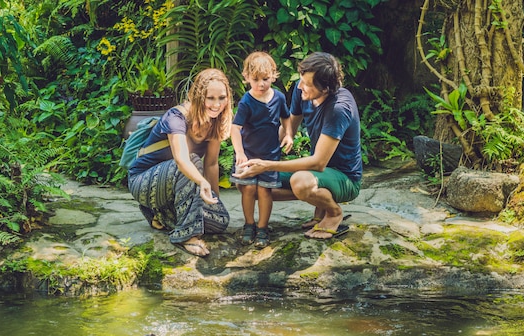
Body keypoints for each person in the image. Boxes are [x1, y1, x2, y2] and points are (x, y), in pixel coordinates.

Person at [235, 52, 362, 239]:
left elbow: (318, 163)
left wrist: (267, 165)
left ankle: (334, 212)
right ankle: (320, 205)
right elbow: (289, 129)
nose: (300, 86)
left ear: (325, 88)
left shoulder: (338, 108)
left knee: (300, 182)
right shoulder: (301, 89)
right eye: (301, 80)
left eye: (307, 84)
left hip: (344, 178)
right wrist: (255, 156)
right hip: (319, 174)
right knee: (247, 183)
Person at [127, 68, 233, 257]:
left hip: (176, 184)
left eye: (221, 98)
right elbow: (181, 159)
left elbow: (211, 164)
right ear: (199, 96)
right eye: (210, 98)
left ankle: (160, 215)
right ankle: (185, 235)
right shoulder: (176, 118)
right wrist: (202, 182)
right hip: (143, 181)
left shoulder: (215, 121)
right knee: (191, 161)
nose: (217, 104)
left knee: (220, 220)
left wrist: (213, 199)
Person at [230, 51, 294, 247]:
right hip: (248, 155)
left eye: (265, 79)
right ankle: (249, 224)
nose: (261, 84)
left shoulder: (279, 97)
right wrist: (239, 153)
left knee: (265, 191)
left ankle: (263, 228)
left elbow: (286, 117)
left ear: (274, 75)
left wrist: (289, 134)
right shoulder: (247, 101)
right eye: (255, 79)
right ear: (246, 78)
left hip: (270, 156)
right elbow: (235, 128)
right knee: (248, 189)